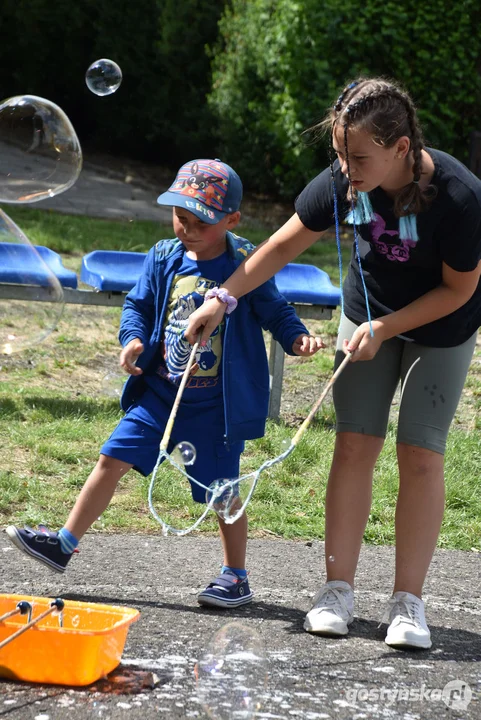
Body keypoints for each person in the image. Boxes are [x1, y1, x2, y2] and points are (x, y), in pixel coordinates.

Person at [184, 80, 481, 648]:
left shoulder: (461, 197)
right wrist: (220, 301)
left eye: (359, 157)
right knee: (353, 444)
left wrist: (388, 328)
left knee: (420, 454)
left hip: (441, 327)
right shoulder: (344, 183)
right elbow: (278, 247)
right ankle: (336, 589)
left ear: (401, 148)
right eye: (340, 156)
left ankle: (408, 603)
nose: (346, 170)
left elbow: (459, 290)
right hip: (366, 312)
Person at [5, 158, 323, 609]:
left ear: (232, 220)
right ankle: (64, 542)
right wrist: (132, 339)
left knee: (223, 492)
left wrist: (297, 339)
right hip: (158, 396)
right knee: (110, 459)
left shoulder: (246, 262)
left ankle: (236, 576)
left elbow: (276, 311)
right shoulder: (162, 257)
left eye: (200, 223)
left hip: (217, 408)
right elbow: (137, 306)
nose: (187, 229)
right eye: (180, 217)